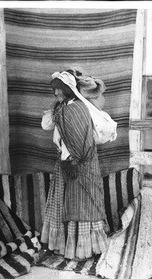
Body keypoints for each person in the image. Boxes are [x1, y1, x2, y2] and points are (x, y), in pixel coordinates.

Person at [40, 69, 110, 260]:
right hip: (66, 163)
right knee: (65, 204)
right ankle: (67, 247)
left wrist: (73, 162)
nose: (55, 93)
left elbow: (81, 142)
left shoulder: (77, 109)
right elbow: (46, 125)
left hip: (81, 164)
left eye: (59, 90)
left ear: (69, 89)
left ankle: (85, 249)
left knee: (83, 204)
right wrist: (56, 106)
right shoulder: (62, 108)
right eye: (54, 90)